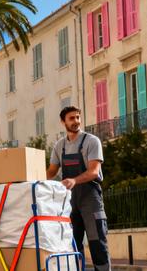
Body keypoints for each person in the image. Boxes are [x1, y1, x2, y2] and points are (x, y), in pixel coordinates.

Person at [46, 106, 111, 271]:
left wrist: (74, 180)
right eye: (71, 118)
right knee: (72, 244)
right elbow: (51, 172)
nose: (76, 121)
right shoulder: (59, 146)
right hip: (69, 201)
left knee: (97, 242)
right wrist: (31, 182)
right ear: (63, 122)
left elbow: (94, 171)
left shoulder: (91, 141)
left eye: (77, 117)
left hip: (90, 198)